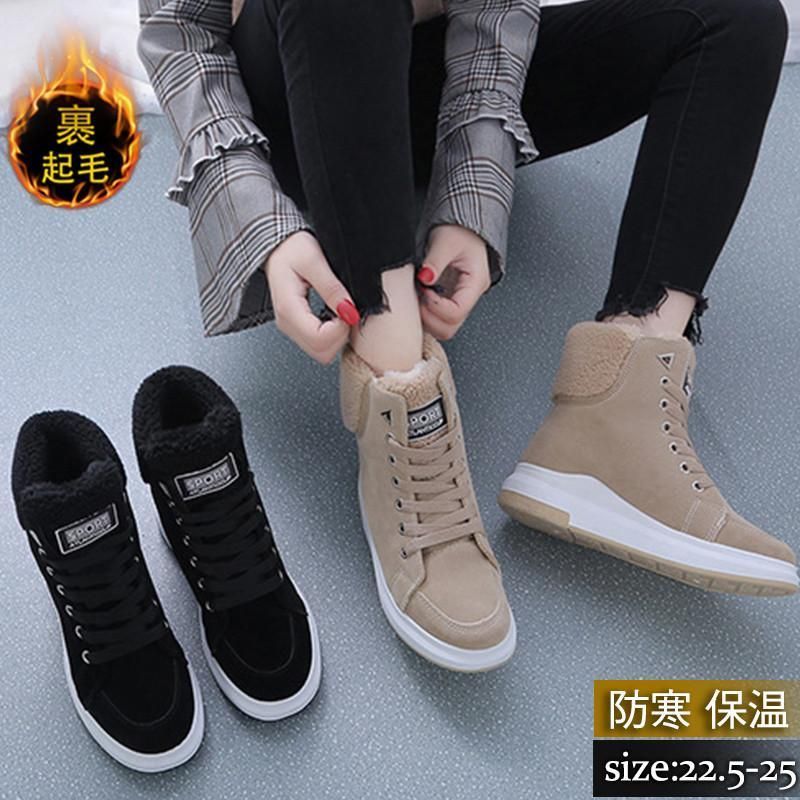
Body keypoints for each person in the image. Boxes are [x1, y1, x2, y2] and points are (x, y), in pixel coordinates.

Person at [138, 0, 797, 673]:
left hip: (439, 86)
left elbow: (495, 13)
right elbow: (181, 32)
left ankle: (615, 412)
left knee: (737, 21)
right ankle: (400, 392)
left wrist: (473, 194)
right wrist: (263, 225)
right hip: (298, 87)